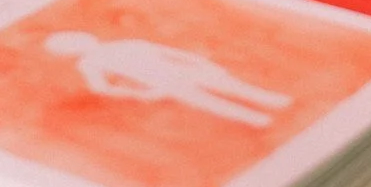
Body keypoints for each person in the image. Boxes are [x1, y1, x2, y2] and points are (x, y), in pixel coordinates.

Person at [43, 31, 293, 127]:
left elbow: (169, 52)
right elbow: (102, 88)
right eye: (71, 44)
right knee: (210, 102)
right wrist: (140, 94)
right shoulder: (89, 63)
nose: (81, 42)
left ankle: (274, 102)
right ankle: (257, 119)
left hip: (182, 69)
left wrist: (200, 61)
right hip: (163, 82)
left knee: (232, 86)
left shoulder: (127, 40)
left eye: (78, 37)